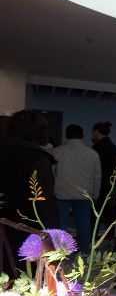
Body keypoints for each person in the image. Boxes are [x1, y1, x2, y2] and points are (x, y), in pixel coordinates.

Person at [0, 110, 58, 274]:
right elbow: (44, 205)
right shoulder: (37, 158)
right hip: (24, 230)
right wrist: (51, 242)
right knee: (19, 278)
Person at [52, 124, 102, 248]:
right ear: (82, 136)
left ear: (66, 135)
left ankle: (60, 251)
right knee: (84, 224)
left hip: (61, 192)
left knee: (61, 225)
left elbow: (52, 173)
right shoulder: (92, 154)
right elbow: (97, 176)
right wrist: (95, 194)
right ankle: (84, 250)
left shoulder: (56, 152)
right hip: (84, 193)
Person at [91, 121, 116, 231]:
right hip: (111, 185)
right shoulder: (114, 148)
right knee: (109, 216)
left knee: (94, 216)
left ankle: (91, 237)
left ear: (96, 131)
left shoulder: (97, 148)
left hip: (99, 185)